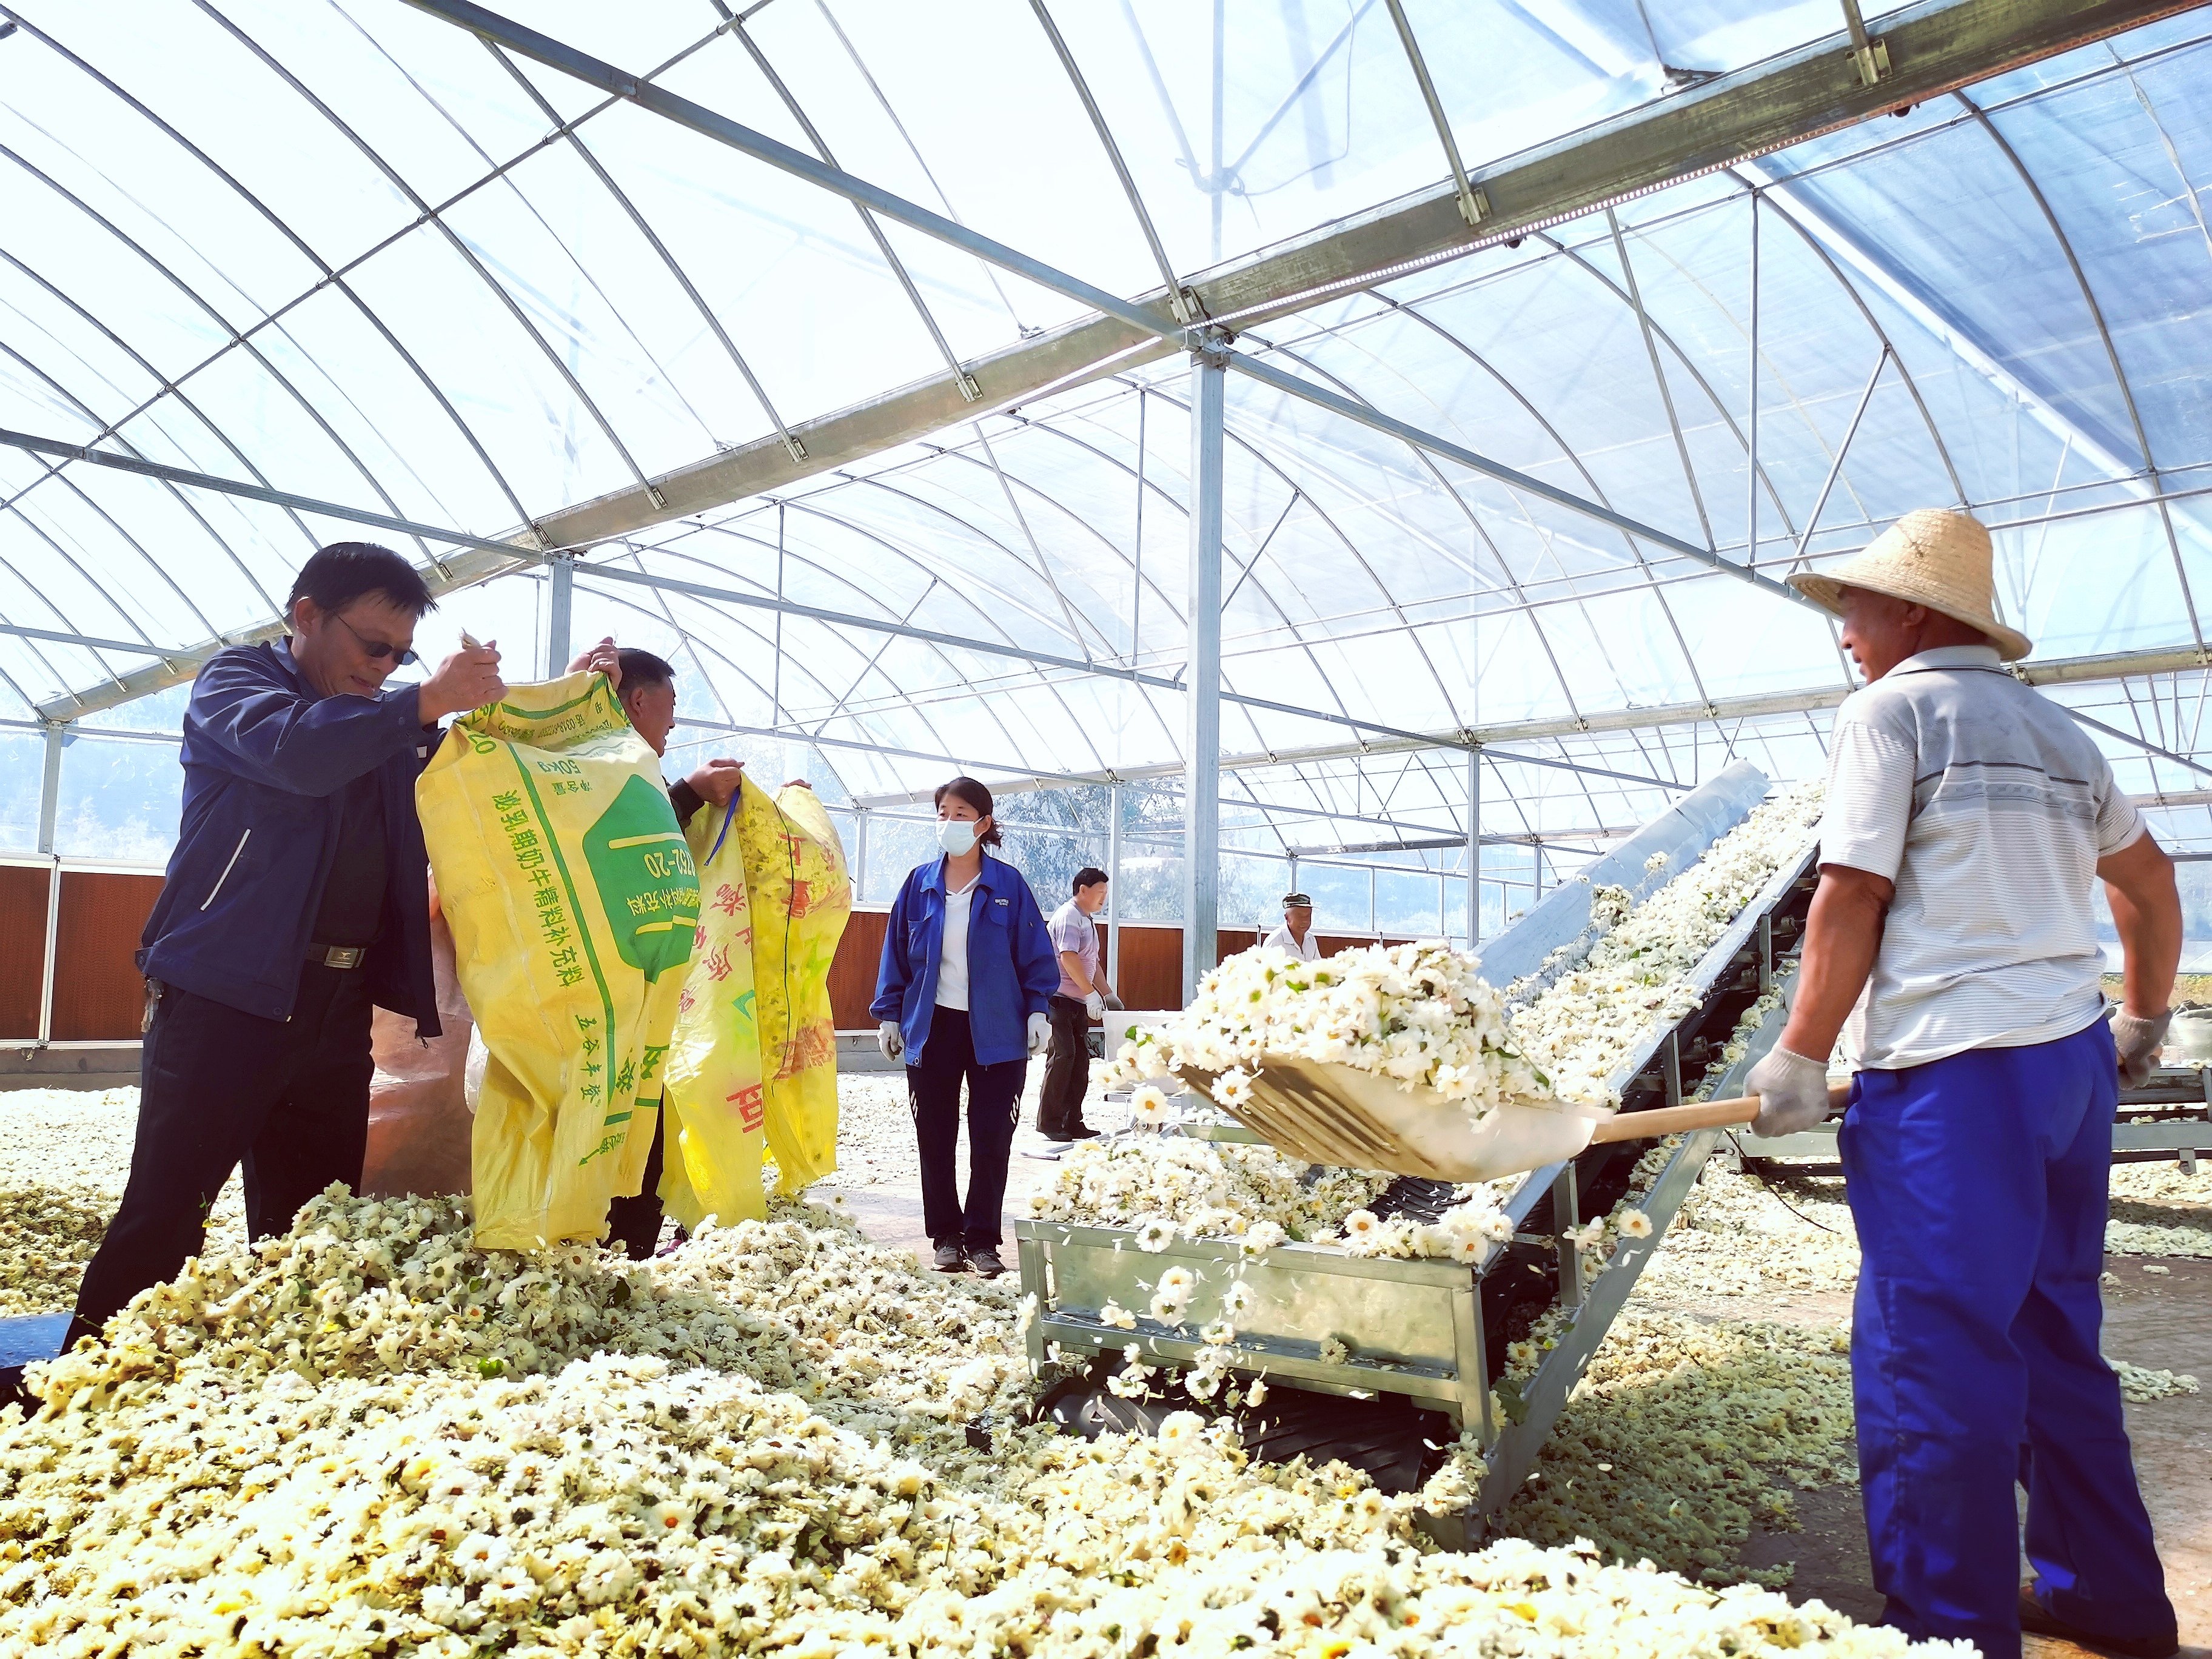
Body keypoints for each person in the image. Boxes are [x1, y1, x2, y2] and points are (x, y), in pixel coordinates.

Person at [1744, 509, 2180, 1659]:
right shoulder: (2055, 730)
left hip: (1954, 1080)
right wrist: (2138, 1014)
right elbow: (2146, 878)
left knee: (1927, 1359)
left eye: (1857, 604)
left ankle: (1948, 1635)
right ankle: (2110, 1603)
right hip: (2067, 1069)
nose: (1843, 627)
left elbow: (1850, 893)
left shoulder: (1889, 712)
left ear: (1917, 612)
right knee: (2050, 1339)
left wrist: (1799, 1050)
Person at [69, 543, 506, 1347]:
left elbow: (481, 782)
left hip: (335, 1009)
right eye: (374, 646)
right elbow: (299, 753)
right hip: (224, 995)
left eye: (401, 655)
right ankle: (85, 1389)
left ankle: (277, 1383)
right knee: (168, 1213)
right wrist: (421, 701)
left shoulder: (380, 725)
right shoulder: (238, 689)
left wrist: (574, 701)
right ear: (306, 616)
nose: (386, 667)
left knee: (314, 1221)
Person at [565, 639, 745, 1258]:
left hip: (641, 1000)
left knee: (643, 1127)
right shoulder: (593, 766)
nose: (672, 725)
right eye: (668, 710)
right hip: (596, 999)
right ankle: (609, 1251)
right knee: (610, 1133)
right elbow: (622, 840)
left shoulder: (636, 771)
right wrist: (691, 791)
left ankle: (629, 1253)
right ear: (637, 701)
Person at [871, 777, 1057, 1276]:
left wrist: (1039, 1008)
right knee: (934, 1135)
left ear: (983, 823)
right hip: (934, 1028)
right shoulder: (919, 884)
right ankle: (946, 1237)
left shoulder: (1008, 886)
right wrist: (890, 1014)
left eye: (960, 813)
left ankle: (982, 1240)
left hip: (998, 1033)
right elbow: (896, 953)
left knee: (992, 1136)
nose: (950, 822)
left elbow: (1035, 953)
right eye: (943, 812)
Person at [1036, 867, 1118, 1148]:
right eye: (1100, 893)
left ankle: (1072, 1120)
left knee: (1080, 1060)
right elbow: (1068, 956)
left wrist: (1107, 994)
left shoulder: (1087, 920)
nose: (1103, 899)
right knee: (1063, 1057)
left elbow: (1090, 964)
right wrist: (1089, 993)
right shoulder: (1069, 916)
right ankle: (1050, 1122)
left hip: (1079, 1002)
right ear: (1083, 890)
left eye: (1105, 894)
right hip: (1059, 998)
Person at [1261, 891, 1321, 962]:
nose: (1305, 921)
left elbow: (1317, 968)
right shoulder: (1275, 941)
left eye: (1308, 916)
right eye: (1299, 916)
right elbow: (1266, 970)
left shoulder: (1311, 939)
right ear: (1287, 917)